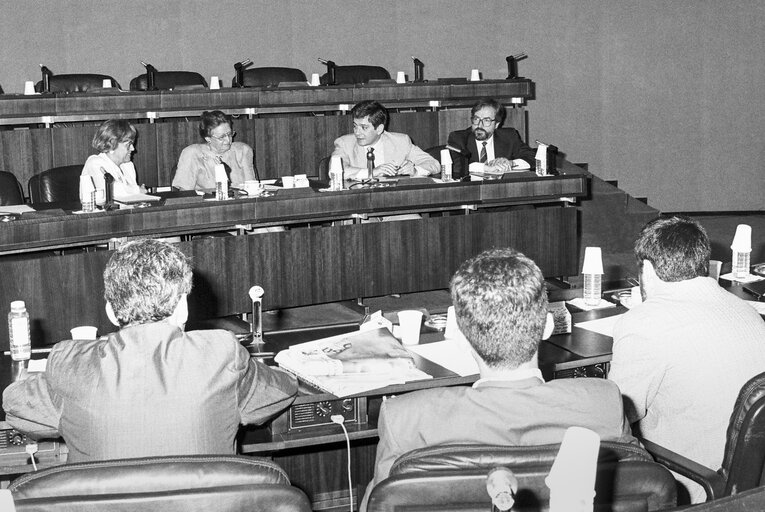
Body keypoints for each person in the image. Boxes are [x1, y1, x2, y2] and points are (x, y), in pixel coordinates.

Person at [363, 248, 637, 508]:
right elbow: (642, 490)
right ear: (548, 327)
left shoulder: (405, 418)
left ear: (459, 335)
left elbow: (380, 505)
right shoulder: (604, 402)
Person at [2, 239, 297, 462]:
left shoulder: (70, 364)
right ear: (183, 307)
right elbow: (281, 390)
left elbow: (15, 406)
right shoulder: (221, 353)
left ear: (111, 313)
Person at [608, 215, 765, 504]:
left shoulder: (642, 323)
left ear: (648, 270)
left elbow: (616, 415)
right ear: (703, 263)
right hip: (754, 485)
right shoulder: (747, 313)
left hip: (691, 482)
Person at [331, 100, 440, 180]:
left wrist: (415, 170)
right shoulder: (344, 143)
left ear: (379, 129)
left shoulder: (401, 141)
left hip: (394, 202)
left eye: (364, 128)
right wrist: (372, 172)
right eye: (355, 126)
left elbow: (434, 164)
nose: (357, 132)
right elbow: (334, 172)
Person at [447, 98, 536, 178]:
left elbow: (532, 157)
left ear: (496, 124)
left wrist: (511, 163)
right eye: (476, 119)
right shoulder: (458, 138)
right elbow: (454, 165)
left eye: (486, 120)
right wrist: (485, 168)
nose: (479, 125)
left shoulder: (509, 136)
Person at [172, 110, 256, 191]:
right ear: (208, 138)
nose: (228, 140)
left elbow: (252, 189)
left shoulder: (242, 151)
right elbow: (185, 194)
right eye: (221, 137)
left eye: (230, 134)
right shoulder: (192, 154)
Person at [81, 119, 144, 204]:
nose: (133, 148)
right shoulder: (95, 163)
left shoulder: (128, 166)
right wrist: (138, 190)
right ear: (112, 144)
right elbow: (112, 192)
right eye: (128, 145)